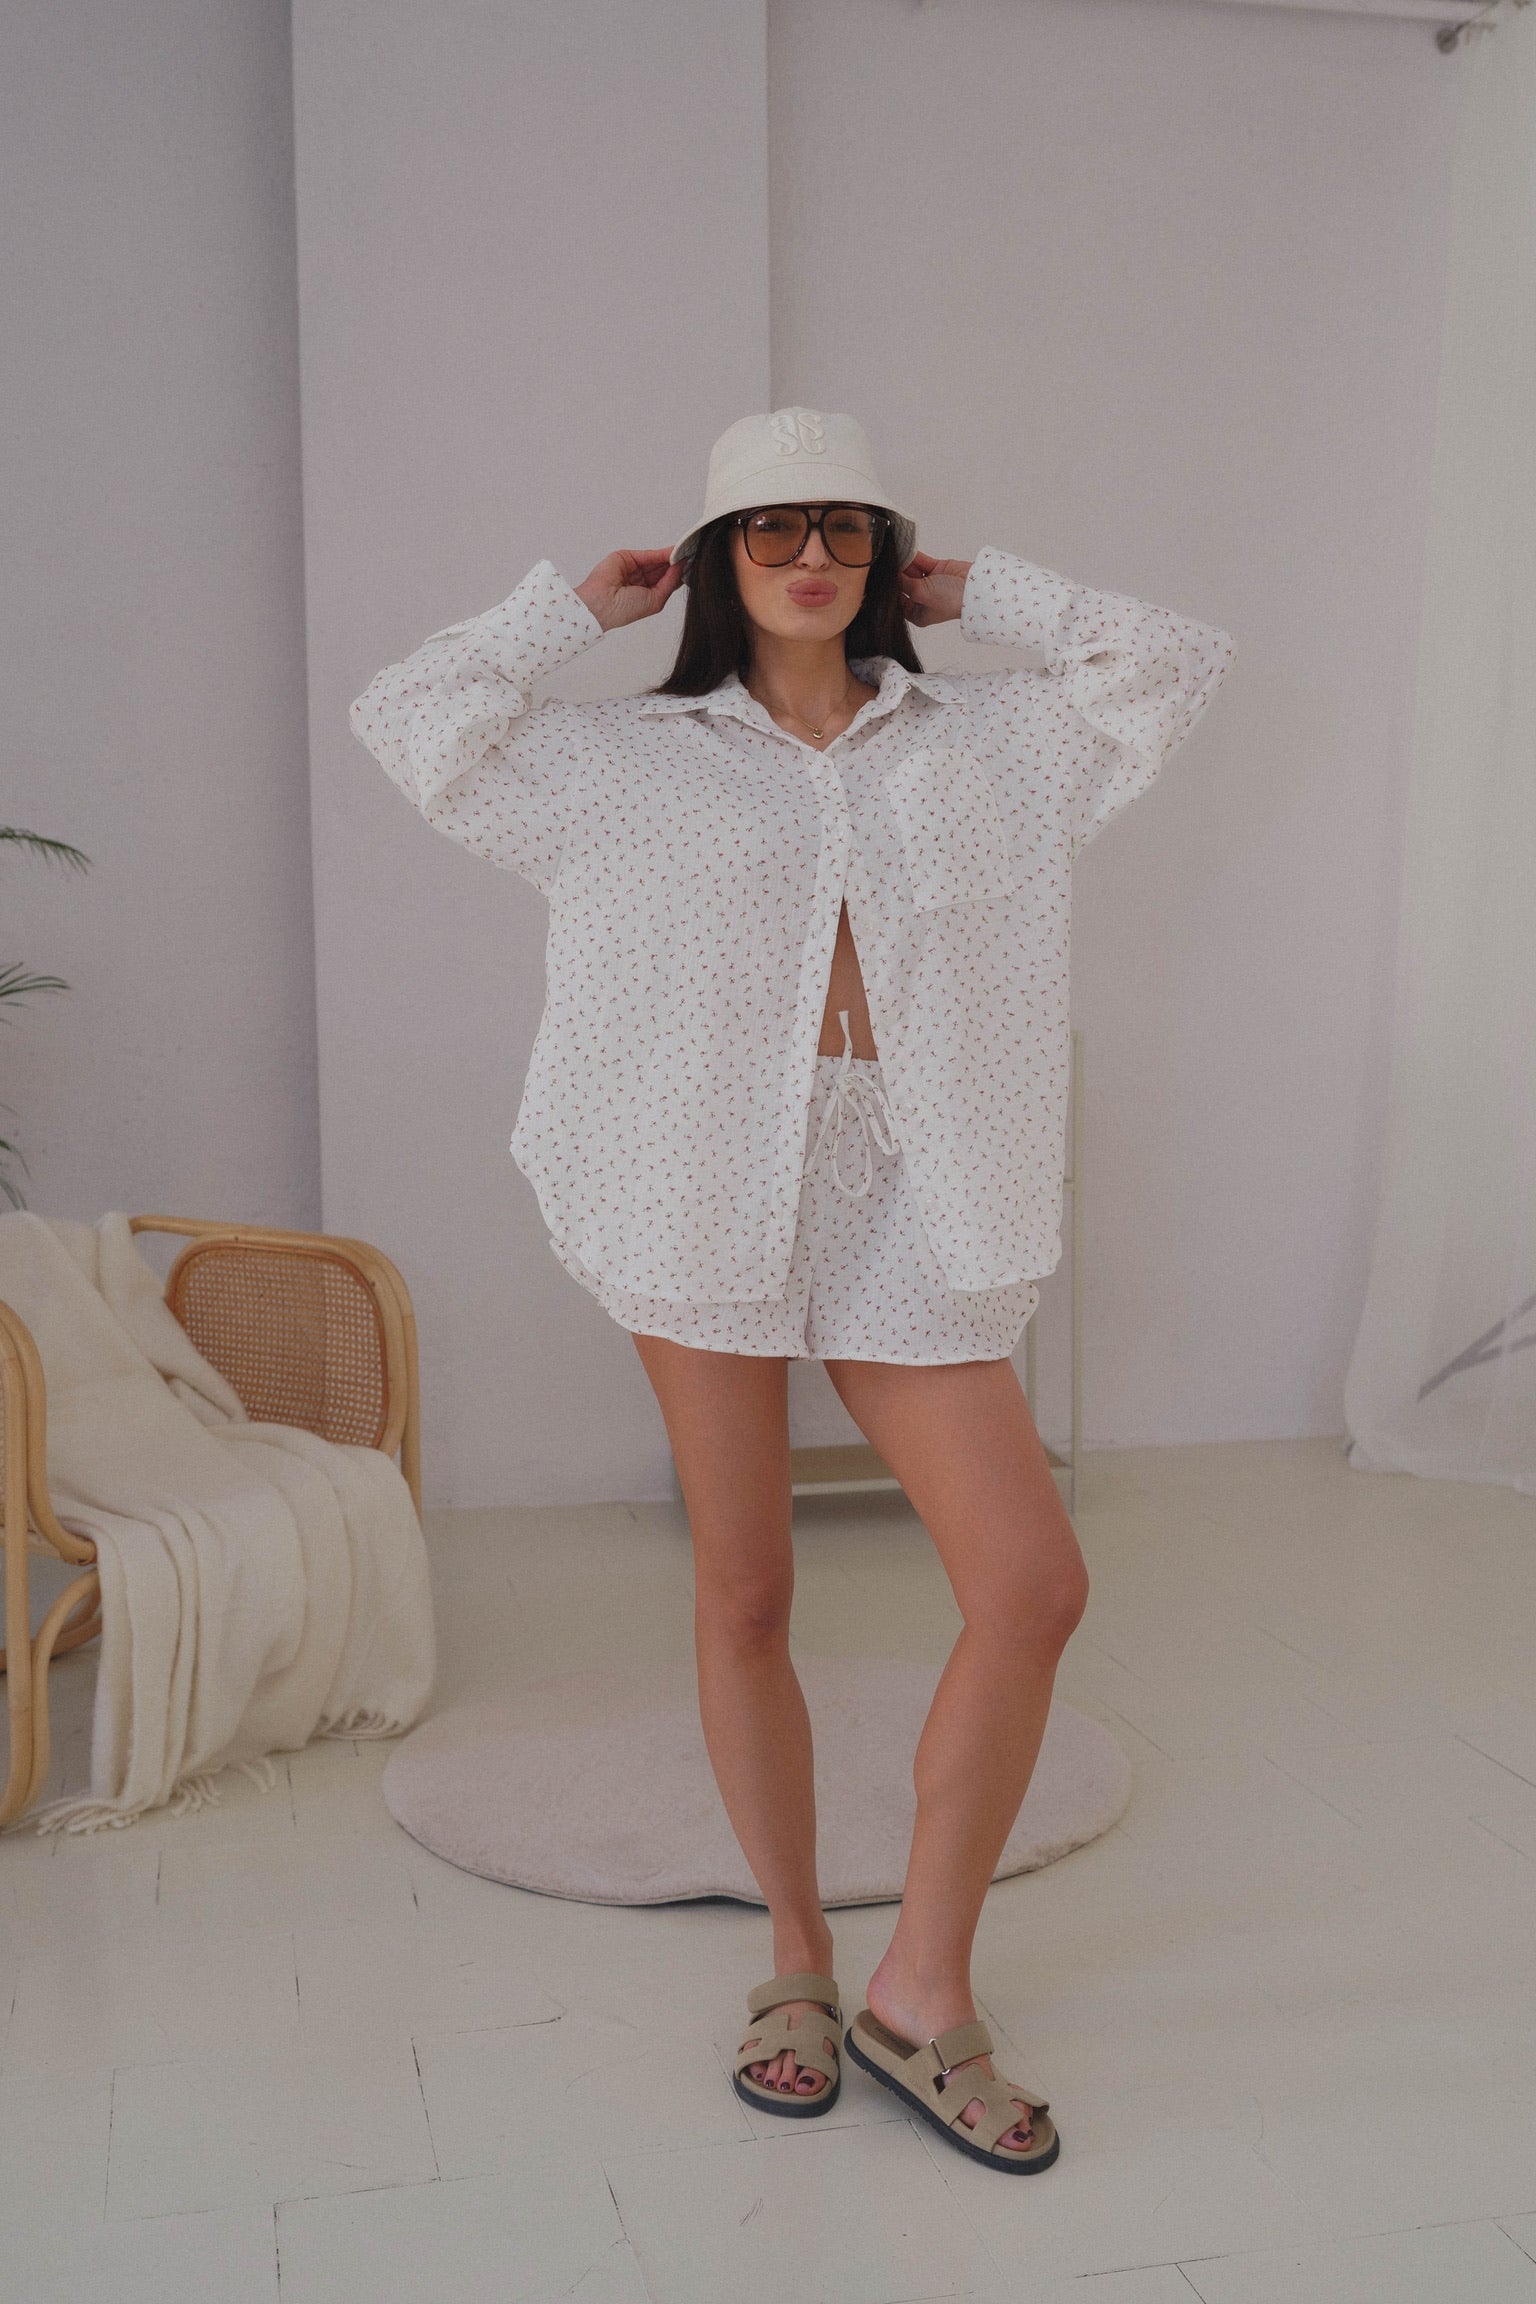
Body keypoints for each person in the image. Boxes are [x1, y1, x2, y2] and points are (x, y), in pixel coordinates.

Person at [350, 405, 1236, 2173]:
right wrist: (563, 614)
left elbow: (1178, 661)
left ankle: (923, 1985)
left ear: (886, 552)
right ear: (714, 559)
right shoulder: (622, 758)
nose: (812, 556)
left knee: (1031, 1585)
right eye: (772, 528)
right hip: (699, 1183)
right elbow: (410, 713)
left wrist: (994, 595)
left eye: (845, 527)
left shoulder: (995, 738)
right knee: (747, 1589)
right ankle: (799, 1958)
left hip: (919, 1186)